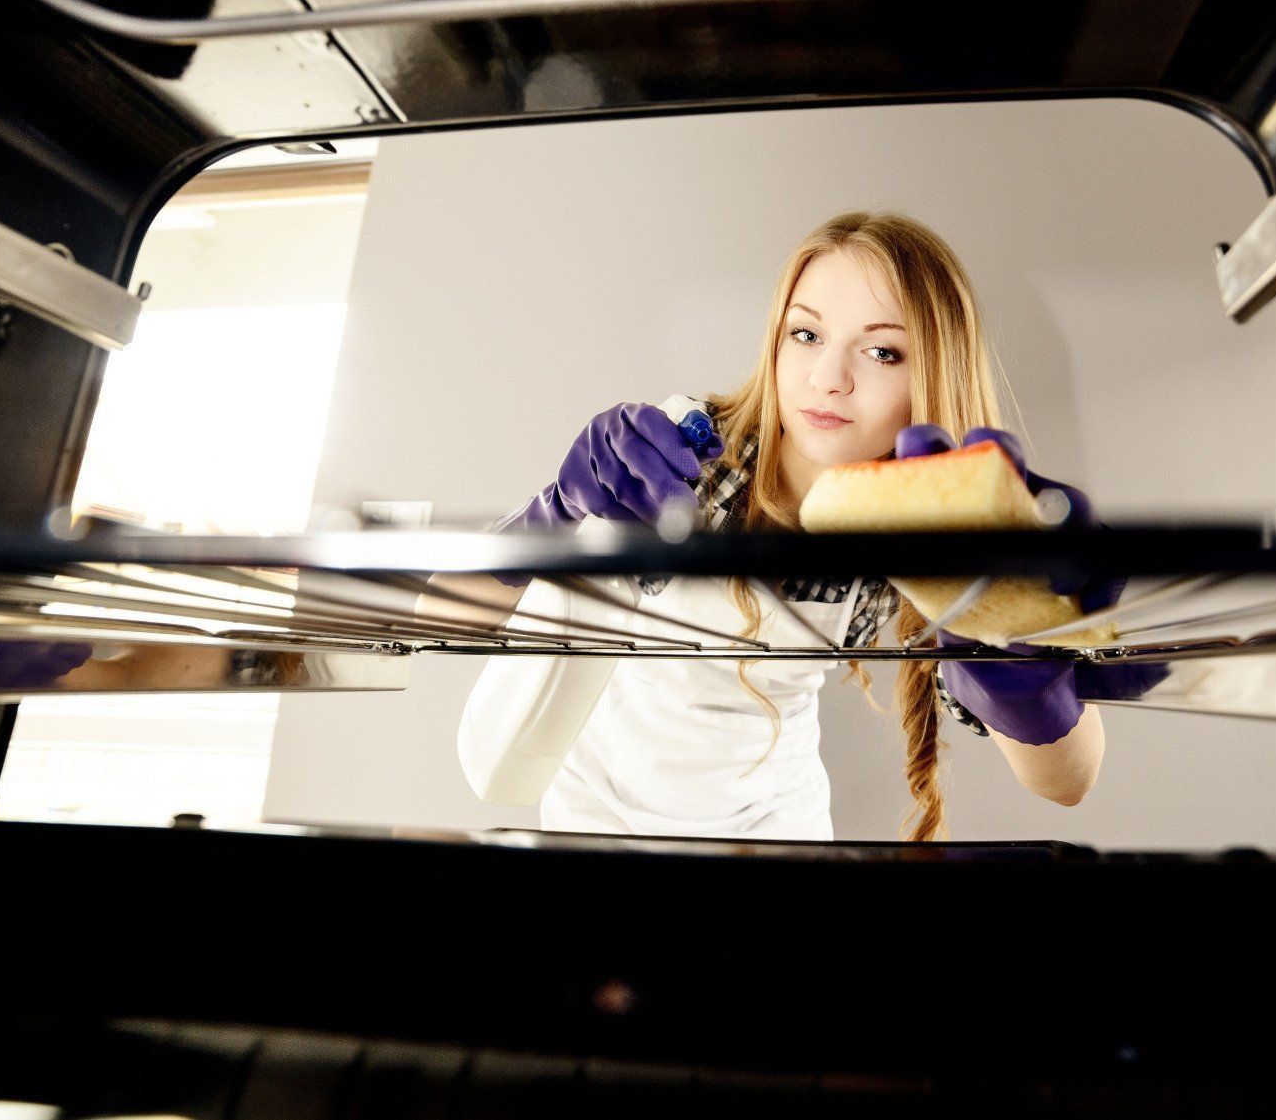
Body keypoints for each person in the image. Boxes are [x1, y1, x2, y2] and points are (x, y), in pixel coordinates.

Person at [435, 211, 1165, 841]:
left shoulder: (918, 527)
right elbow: (438, 610)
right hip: (596, 829)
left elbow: (1070, 779)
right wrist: (555, 516)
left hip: (773, 842)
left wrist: (1017, 665)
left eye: (882, 351)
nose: (828, 378)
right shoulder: (681, 455)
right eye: (807, 334)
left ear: (931, 376)